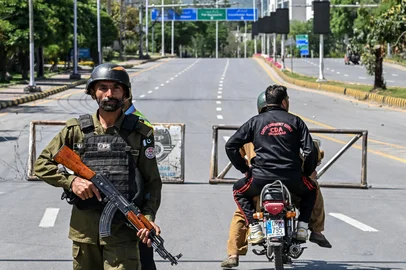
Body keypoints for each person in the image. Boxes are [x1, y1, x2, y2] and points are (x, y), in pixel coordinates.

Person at [34, 63, 162, 270]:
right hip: (84, 232)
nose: (109, 94)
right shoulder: (76, 130)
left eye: (116, 88)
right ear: (93, 92)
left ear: (125, 93)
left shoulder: (140, 133)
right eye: (103, 87)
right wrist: (71, 181)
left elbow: (152, 183)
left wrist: (147, 218)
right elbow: (41, 165)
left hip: (123, 232)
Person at [225, 84, 319, 249]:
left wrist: (245, 169)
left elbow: (230, 146)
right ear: (284, 102)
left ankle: (254, 228)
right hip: (292, 179)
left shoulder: (255, 122)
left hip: (260, 179)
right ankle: (303, 228)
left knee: (238, 190)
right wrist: (305, 172)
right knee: (311, 190)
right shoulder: (296, 121)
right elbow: (310, 150)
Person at [123, 88, 157, 270]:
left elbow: (150, 176)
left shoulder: (141, 124)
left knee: (143, 257)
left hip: (133, 202)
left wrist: (147, 214)